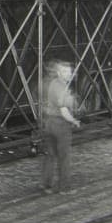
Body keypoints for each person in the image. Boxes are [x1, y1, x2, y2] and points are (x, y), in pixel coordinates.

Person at [40, 59, 81, 194]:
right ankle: (65, 188)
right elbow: (64, 111)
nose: (68, 74)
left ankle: (47, 185)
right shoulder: (62, 88)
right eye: (65, 71)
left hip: (49, 123)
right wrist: (74, 120)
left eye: (69, 71)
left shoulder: (52, 84)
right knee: (64, 157)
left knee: (50, 155)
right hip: (60, 125)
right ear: (58, 73)